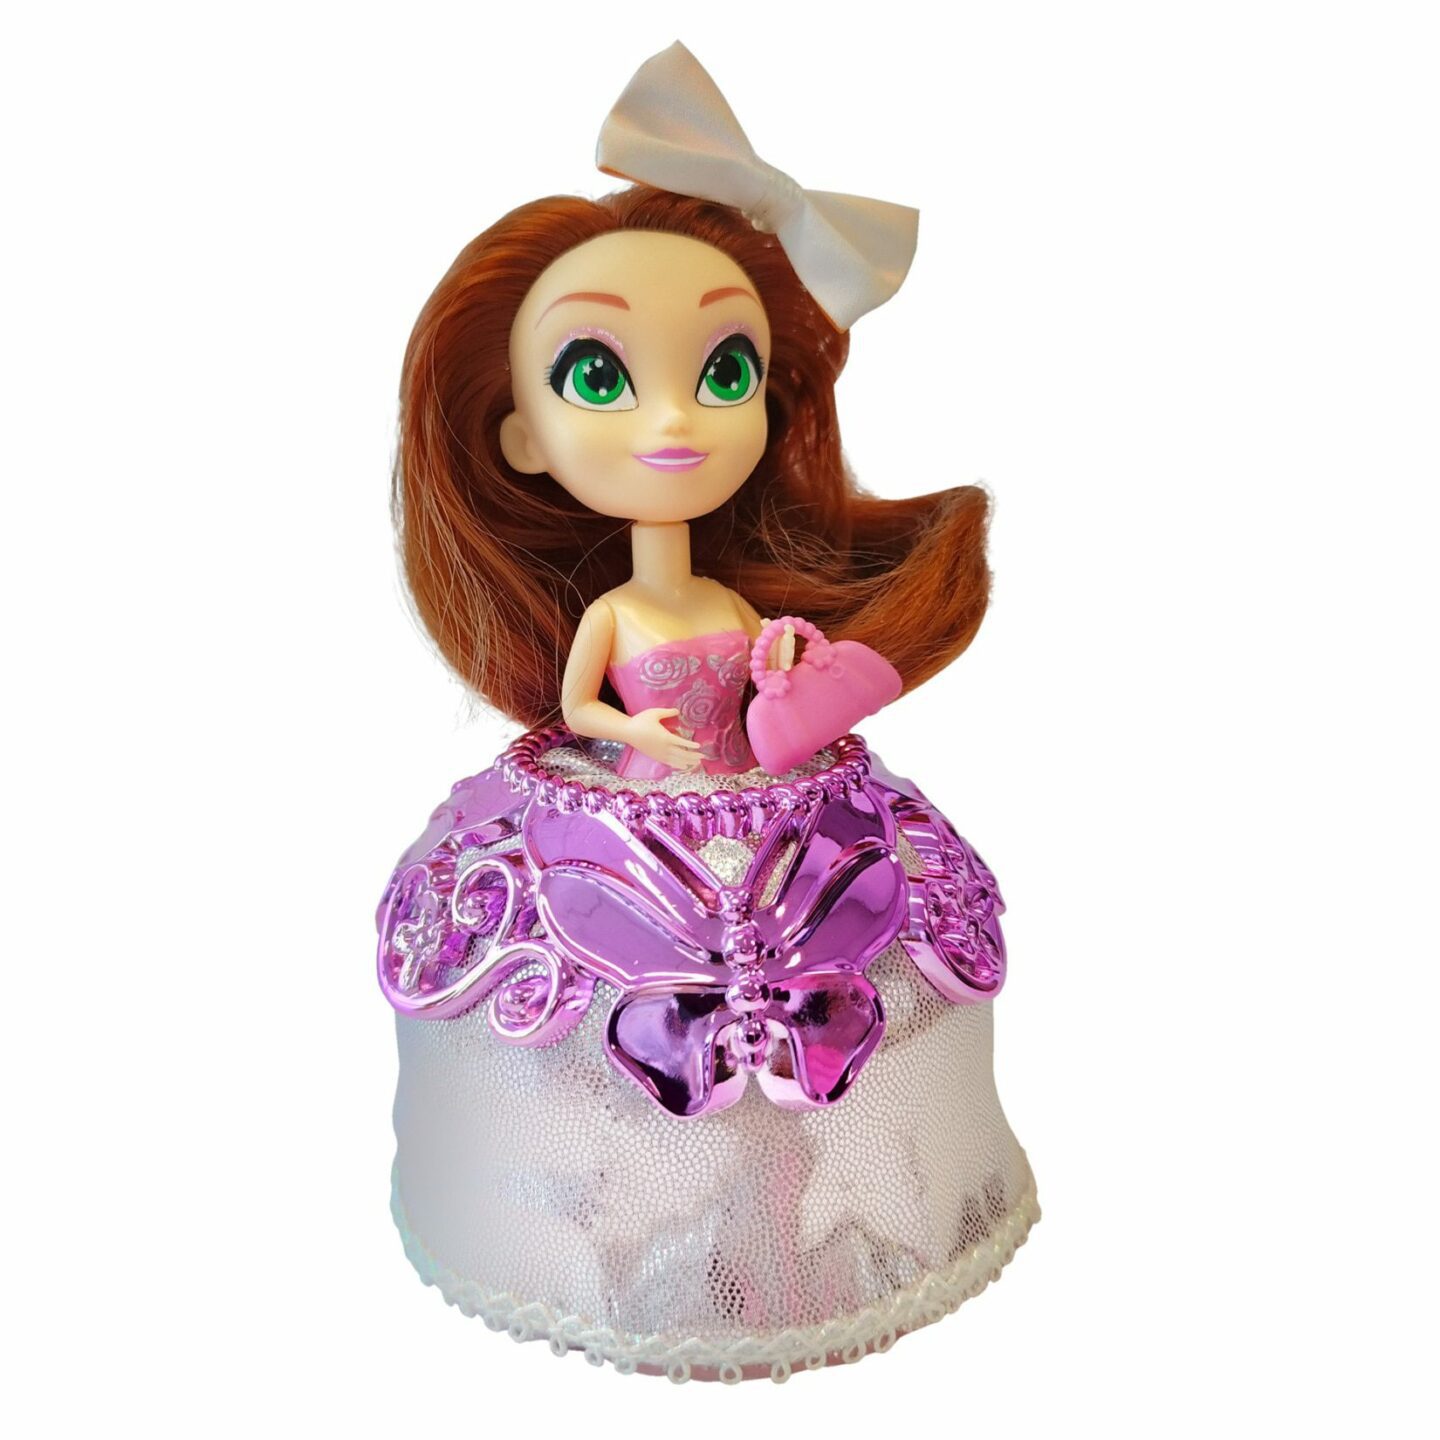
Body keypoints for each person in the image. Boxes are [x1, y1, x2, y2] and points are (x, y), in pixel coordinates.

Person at [379, 42, 1036, 1383]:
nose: (675, 418)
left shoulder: (723, 602)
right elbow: (581, 696)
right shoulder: (615, 617)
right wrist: (628, 738)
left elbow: (762, 663)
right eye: (601, 376)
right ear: (520, 435)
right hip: (637, 797)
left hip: (772, 791)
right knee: (606, 1017)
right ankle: (658, 1243)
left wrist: (787, 667)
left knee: (858, 959)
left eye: (724, 371)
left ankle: (805, 1231)